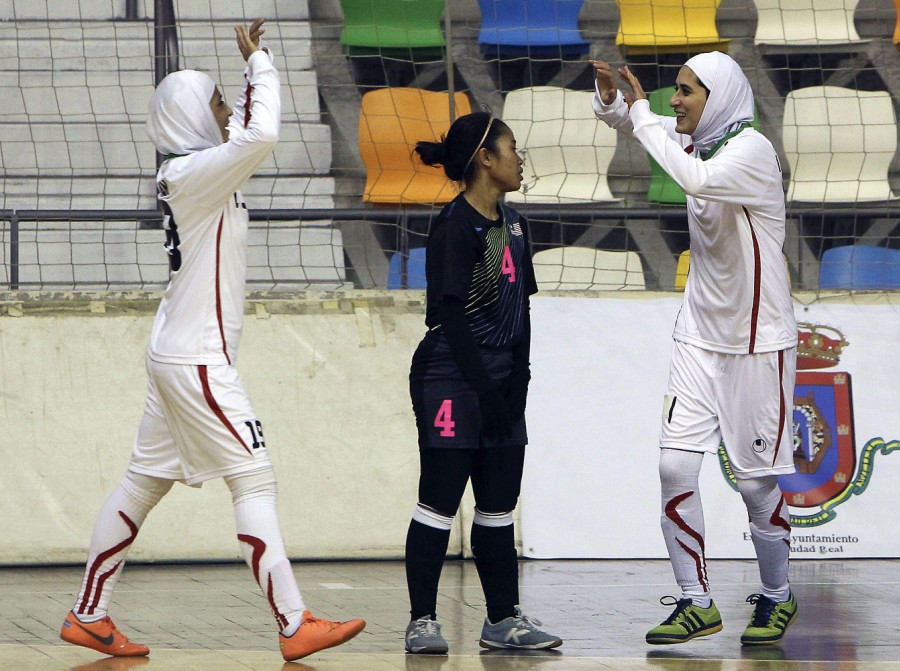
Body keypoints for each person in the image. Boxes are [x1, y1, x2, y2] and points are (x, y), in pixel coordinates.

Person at [58, 19, 365, 662]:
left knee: (141, 483)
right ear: (192, 116)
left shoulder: (190, 170)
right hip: (197, 360)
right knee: (254, 478)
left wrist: (248, 84)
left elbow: (249, 134)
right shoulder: (197, 173)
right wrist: (260, 65)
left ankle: (90, 614)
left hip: (174, 352)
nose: (226, 110)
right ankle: (293, 622)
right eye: (217, 100)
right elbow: (265, 133)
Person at [591, 53, 799, 647]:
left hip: (759, 344)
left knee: (756, 485)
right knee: (674, 465)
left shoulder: (751, 152)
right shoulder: (702, 144)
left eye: (685, 92)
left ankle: (777, 595)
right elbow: (635, 127)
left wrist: (640, 113)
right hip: (698, 338)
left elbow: (693, 180)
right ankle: (695, 601)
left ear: (722, 98)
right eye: (673, 92)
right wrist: (613, 101)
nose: (673, 100)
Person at [402, 112, 562, 654]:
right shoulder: (454, 226)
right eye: (512, 149)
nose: (520, 159)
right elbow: (448, 314)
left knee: (498, 505)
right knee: (440, 500)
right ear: (485, 161)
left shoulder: (515, 225)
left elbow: (524, 307)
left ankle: (502, 621)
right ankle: (422, 621)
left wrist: (520, 376)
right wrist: (484, 387)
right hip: (450, 377)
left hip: (499, 380)